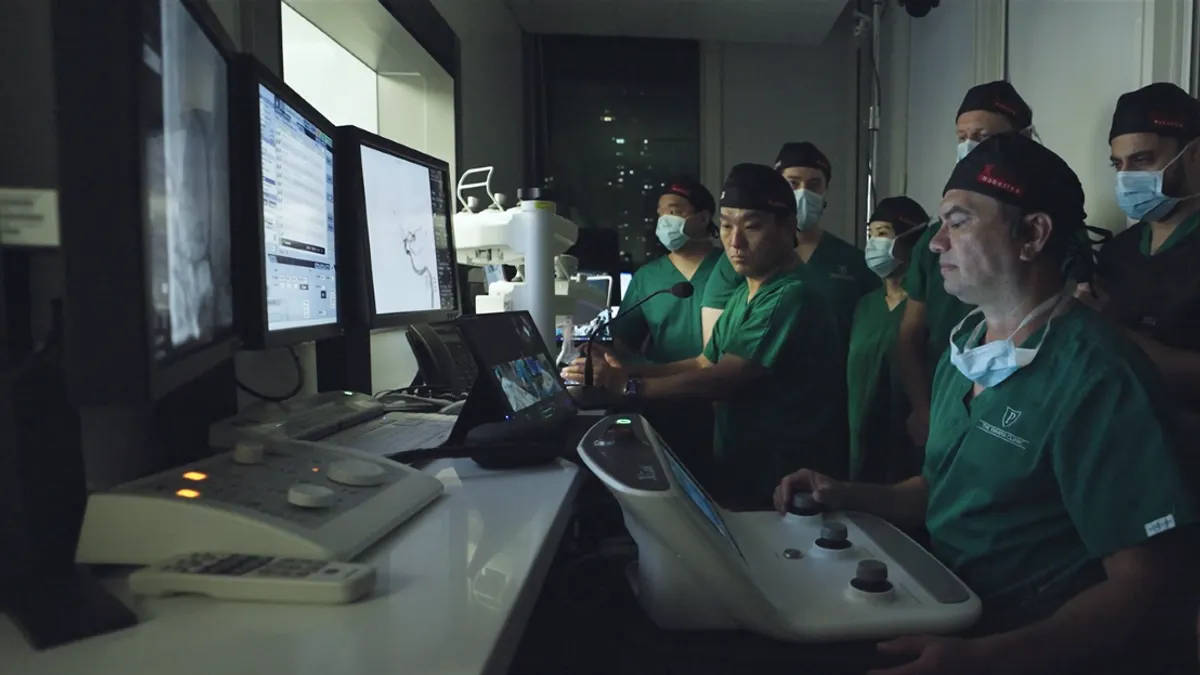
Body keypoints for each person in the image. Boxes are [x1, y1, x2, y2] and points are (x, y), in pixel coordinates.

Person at [774, 134, 1197, 674]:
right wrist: (848, 494)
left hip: (1025, 646)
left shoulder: (1099, 380)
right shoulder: (970, 349)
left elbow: (1143, 590)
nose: (934, 244)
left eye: (959, 221)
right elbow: (941, 493)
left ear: (1032, 234)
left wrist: (982, 659)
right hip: (944, 610)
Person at [564, 163, 845, 504]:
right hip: (740, 465)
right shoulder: (747, 290)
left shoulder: (790, 295)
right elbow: (702, 363)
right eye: (726, 226)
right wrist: (624, 371)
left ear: (787, 225)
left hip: (781, 477)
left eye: (752, 227)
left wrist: (626, 386)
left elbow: (725, 378)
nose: (735, 241)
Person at [896, 80, 1034, 447]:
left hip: (1019, 412)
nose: (944, 243)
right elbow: (910, 336)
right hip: (948, 402)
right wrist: (925, 408)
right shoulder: (932, 240)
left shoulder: (1051, 232)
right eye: (962, 136)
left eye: (982, 136)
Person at [1084, 82, 1200, 415]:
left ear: (1193, 155)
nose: (1126, 178)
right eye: (1117, 165)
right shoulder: (1117, 252)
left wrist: (1111, 332)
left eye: (1142, 159)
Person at [699, 143, 876, 348]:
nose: (803, 194)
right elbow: (714, 352)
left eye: (814, 185)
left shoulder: (852, 261)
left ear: (825, 190)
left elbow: (869, 337)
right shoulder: (737, 259)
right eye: (792, 183)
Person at [846, 196, 929, 483]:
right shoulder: (865, 305)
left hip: (911, 444)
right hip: (862, 442)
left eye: (882, 235)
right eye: (870, 235)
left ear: (910, 239)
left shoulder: (928, 307)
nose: (872, 245)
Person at [610, 177, 723, 364]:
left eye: (673, 211)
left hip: (721, 385)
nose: (664, 221)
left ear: (703, 218)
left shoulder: (730, 269)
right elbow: (624, 342)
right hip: (661, 385)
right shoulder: (647, 277)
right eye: (661, 214)